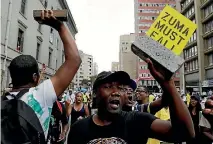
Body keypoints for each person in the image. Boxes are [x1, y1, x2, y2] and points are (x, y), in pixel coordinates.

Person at [68, 58, 195, 144]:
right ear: (94, 93)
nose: (116, 92)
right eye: (108, 87)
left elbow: (184, 133)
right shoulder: (79, 129)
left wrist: (168, 84)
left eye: (121, 88)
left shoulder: (137, 120)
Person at [3, 10, 81, 141]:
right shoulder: (40, 95)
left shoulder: (3, 101)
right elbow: (75, 60)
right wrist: (59, 25)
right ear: (35, 77)